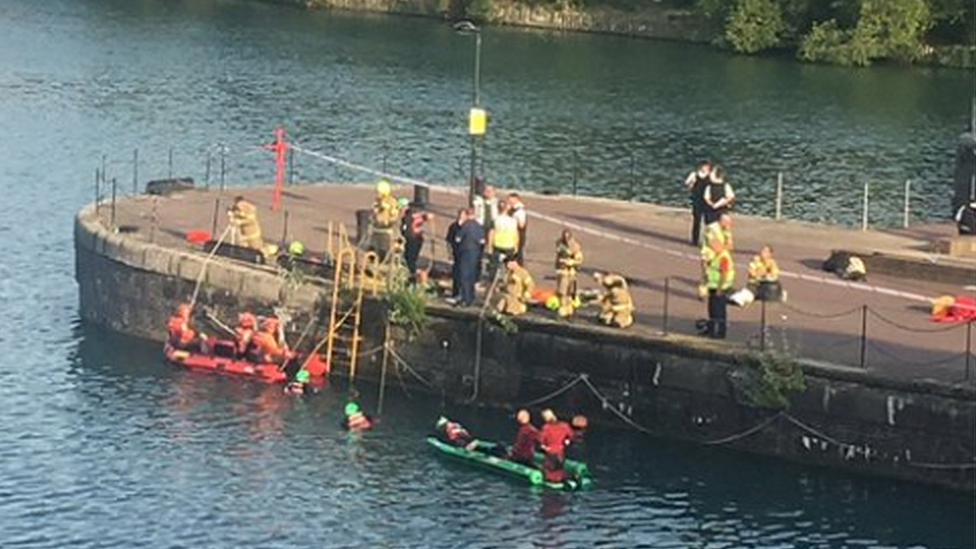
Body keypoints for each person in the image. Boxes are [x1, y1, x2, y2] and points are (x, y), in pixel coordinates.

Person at [702, 231, 735, 339]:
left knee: (719, 312)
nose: (711, 248)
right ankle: (711, 330)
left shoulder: (723, 257)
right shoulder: (716, 255)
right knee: (712, 310)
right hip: (713, 286)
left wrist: (720, 288)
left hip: (720, 287)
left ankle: (720, 333)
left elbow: (724, 273)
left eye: (713, 246)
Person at [454, 208, 486, 307]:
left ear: (467, 215)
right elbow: (482, 241)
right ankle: (471, 297)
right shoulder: (479, 226)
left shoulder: (466, 225)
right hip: (475, 253)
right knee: (472, 276)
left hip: (465, 252)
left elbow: (457, 239)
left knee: (464, 276)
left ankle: (465, 299)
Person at [538, 409, 574, 483]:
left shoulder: (546, 428)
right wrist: (566, 441)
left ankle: (552, 478)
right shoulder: (565, 425)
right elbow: (571, 435)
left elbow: (540, 439)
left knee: (548, 470)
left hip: (550, 452)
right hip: (560, 452)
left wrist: (543, 446)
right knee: (559, 467)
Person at [400, 202, 433, 282]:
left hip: (414, 239)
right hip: (413, 239)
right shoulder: (410, 217)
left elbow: (406, 226)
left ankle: (412, 274)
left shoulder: (410, 216)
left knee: (411, 258)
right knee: (410, 257)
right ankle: (411, 273)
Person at [554, 229, 584, 319]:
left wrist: (571, 262)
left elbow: (579, 260)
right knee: (561, 291)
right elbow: (559, 254)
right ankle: (563, 309)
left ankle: (569, 310)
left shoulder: (575, 246)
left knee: (569, 292)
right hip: (561, 271)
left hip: (570, 272)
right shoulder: (559, 243)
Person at [369, 180, 401, 260]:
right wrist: (377, 209)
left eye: (379, 192)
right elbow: (373, 212)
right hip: (376, 228)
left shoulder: (392, 202)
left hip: (387, 229)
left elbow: (395, 215)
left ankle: (387, 261)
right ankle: (375, 260)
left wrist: (389, 218)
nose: (378, 193)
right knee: (375, 246)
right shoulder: (377, 201)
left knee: (386, 248)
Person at [488, 204, 519, 281]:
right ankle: (509, 280)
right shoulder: (513, 221)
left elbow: (491, 233)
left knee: (494, 265)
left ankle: (492, 281)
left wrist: (489, 246)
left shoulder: (496, 220)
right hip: (509, 245)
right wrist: (516, 246)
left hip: (498, 245)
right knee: (509, 265)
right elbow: (516, 235)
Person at [684, 161, 711, 246]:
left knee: (708, 221)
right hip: (697, 199)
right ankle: (695, 240)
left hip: (707, 200)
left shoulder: (710, 176)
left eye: (707, 167)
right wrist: (691, 183)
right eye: (704, 167)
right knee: (697, 220)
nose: (705, 169)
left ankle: (708, 240)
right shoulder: (694, 174)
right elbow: (687, 183)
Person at [445, 208, 466, 300]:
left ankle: (463, 293)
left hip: (466, 255)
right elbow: (449, 241)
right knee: (456, 273)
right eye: (460, 215)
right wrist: (450, 253)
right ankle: (455, 293)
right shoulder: (453, 226)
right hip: (456, 253)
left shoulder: (468, 227)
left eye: (463, 215)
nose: (461, 217)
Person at [508, 193, 528, 266]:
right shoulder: (512, 209)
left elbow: (522, 225)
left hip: (518, 235)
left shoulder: (520, 211)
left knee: (518, 254)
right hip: (512, 235)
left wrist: (514, 219)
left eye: (511, 200)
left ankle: (519, 270)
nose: (509, 202)